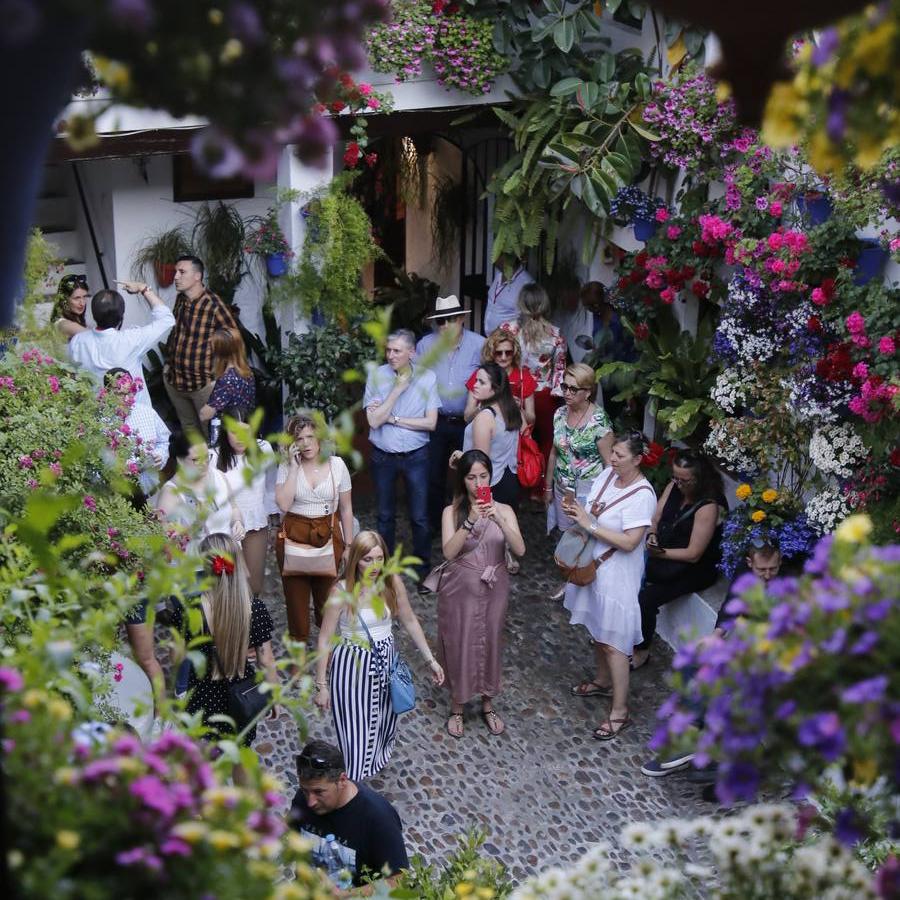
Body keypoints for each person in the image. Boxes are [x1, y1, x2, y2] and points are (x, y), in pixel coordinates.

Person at [640, 544, 782, 777]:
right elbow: (731, 608)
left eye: (772, 569)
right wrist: (715, 637)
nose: (767, 575)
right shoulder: (745, 576)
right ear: (749, 564)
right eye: (761, 570)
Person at [313, 531, 444, 780]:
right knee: (353, 727)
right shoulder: (340, 592)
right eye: (367, 559)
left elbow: (409, 620)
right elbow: (324, 638)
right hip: (351, 666)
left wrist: (431, 660)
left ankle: (369, 765)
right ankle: (352, 782)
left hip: (385, 664)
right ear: (355, 561)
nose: (374, 566)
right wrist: (322, 685)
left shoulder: (391, 583)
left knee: (383, 722)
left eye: (379, 558)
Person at [562, 432, 656, 741]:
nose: (612, 459)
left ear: (638, 459)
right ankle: (602, 681)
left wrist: (589, 524)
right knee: (598, 632)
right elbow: (592, 511)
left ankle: (620, 711)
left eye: (619, 455)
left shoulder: (643, 495)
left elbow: (630, 542)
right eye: (612, 453)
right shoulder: (607, 475)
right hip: (594, 567)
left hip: (617, 576)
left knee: (616, 644)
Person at [438, 450, 525, 738]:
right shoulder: (451, 512)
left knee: (491, 641)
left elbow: (520, 549)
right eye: (472, 477)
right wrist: (470, 521)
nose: (478, 483)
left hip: (494, 587)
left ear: (491, 476)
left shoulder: (506, 510)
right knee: (460, 642)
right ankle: (457, 706)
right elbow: (449, 552)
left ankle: (488, 702)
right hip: (461, 588)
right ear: (463, 480)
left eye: (483, 476)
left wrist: (498, 518)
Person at [173, 533, 277, 747]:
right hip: (241, 695)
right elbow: (266, 660)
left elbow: (177, 657)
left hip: (201, 694)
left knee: (205, 758)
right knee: (240, 754)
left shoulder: (189, 609)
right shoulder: (253, 608)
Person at [631, 450, 727, 671]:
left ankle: (642, 649)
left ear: (699, 478)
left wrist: (660, 553)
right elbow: (655, 518)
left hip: (693, 568)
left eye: (685, 480)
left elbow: (694, 553)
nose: (679, 484)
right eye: (676, 478)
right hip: (665, 552)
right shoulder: (674, 487)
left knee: (647, 599)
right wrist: (652, 536)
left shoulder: (709, 505)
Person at [364, 329, 440, 582]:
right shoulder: (377, 375)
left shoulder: (428, 378)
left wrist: (393, 418)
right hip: (382, 457)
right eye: (388, 350)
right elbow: (374, 421)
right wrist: (397, 390)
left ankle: (422, 570)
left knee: (419, 516)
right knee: (385, 515)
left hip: (416, 456)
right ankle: (382, 570)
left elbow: (430, 423)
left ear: (412, 352)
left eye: (397, 350)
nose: (391, 355)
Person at [275, 413, 354, 646]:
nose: (306, 443)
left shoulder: (337, 465)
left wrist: (349, 545)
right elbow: (283, 504)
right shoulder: (286, 466)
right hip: (293, 537)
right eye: (299, 439)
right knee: (296, 602)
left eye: (311, 436)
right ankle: (298, 653)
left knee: (327, 601)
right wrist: (292, 468)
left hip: (328, 535)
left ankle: (328, 654)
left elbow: (347, 509)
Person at [289, 740, 410, 889]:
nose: (310, 802)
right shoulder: (303, 799)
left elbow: (399, 880)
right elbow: (290, 835)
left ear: (342, 780)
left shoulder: (378, 818)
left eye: (319, 792)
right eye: (305, 790)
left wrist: (344, 897)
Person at [415, 295, 485, 532]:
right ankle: (436, 526)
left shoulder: (479, 345)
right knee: (434, 475)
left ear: (462, 319)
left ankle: (468, 524)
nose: (445, 325)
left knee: (468, 474)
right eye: (441, 321)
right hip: (437, 421)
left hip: (468, 422)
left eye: (450, 319)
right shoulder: (425, 345)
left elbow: (488, 380)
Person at [164, 255, 239, 438]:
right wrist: (167, 366)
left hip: (203, 385)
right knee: (189, 430)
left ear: (197, 276)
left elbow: (234, 340)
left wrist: (220, 381)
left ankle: (214, 467)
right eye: (176, 272)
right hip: (176, 382)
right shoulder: (180, 299)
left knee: (212, 435)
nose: (176, 277)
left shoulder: (213, 305)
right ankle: (197, 467)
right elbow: (176, 332)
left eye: (182, 272)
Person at [68, 282, 175, 407]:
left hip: (95, 419)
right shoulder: (131, 339)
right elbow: (166, 319)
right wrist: (143, 288)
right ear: (121, 316)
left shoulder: (78, 341)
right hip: (133, 419)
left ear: (93, 313)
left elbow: (72, 376)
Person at [211, 408, 277, 599]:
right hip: (223, 529)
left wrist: (275, 521)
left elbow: (271, 486)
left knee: (254, 585)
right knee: (227, 585)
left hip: (256, 522)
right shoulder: (213, 456)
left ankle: (250, 624)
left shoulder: (263, 448)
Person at [545, 363, 614, 534]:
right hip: (562, 489)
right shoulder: (559, 413)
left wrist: (601, 500)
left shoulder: (599, 422)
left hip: (588, 494)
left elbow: (609, 464)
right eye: (564, 386)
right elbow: (554, 453)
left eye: (573, 389)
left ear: (588, 392)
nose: (567, 393)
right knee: (564, 537)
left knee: (584, 541)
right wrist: (547, 487)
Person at [504, 283, 566, 469]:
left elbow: (500, 361)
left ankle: (520, 482)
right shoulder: (555, 334)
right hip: (544, 395)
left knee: (515, 439)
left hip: (515, 391)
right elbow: (560, 370)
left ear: (521, 304)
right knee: (547, 441)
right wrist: (557, 397)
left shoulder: (509, 330)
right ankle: (541, 489)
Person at [156, 431, 244, 549]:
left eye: (207, 457)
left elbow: (233, 507)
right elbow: (165, 539)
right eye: (196, 459)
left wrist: (237, 522)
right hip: (198, 564)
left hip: (230, 553)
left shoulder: (219, 476)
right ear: (180, 460)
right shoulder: (171, 492)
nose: (204, 464)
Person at [455, 362, 522, 510]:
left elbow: (480, 466)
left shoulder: (485, 417)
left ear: (495, 389)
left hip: (489, 488)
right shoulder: (511, 410)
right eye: (476, 380)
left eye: (481, 382)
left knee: (485, 530)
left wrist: (483, 504)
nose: (475, 385)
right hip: (509, 480)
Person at [103, 367, 170, 496]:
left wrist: (159, 455)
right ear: (107, 394)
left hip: (152, 488)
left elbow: (163, 441)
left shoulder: (147, 412)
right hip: (119, 495)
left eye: (129, 392)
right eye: (120, 394)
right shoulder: (101, 423)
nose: (127, 398)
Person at [464, 325, 536, 428]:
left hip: (514, 434)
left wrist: (518, 408)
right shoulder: (480, 374)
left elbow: (532, 419)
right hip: (485, 431)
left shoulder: (524, 377)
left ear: (514, 352)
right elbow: (467, 417)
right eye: (498, 353)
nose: (503, 357)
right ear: (491, 353)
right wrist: (486, 404)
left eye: (508, 353)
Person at [198, 326, 256, 424]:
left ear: (219, 352)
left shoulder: (226, 380)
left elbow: (205, 415)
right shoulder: (248, 373)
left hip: (230, 434)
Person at [483, 254, 533, 335]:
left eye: (499, 253)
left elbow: (529, 321)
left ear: (511, 257)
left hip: (508, 343)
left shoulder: (526, 283)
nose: (494, 257)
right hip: (491, 340)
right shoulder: (498, 275)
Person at [51, 273, 89, 340]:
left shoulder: (76, 317)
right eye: (77, 298)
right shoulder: (64, 325)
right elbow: (95, 338)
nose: (82, 303)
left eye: (85, 297)